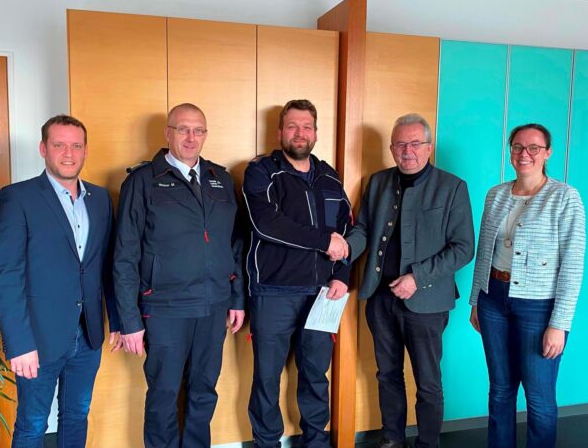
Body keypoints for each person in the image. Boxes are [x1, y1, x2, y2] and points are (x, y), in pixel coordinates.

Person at [114, 102, 245, 448]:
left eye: (198, 130)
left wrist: (237, 299)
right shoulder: (143, 181)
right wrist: (129, 320)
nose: (191, 137)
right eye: (183, 129)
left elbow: (234, 245)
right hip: (165, 308)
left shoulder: (221, 179)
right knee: (164, 393)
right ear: (167, 133)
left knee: (204, 391)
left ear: (205, 135)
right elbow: (125, 255)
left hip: (213, 305)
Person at [0, 114, 121, 447]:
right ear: (43, 149)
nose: (68, 153)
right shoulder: (17, 197)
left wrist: (118, 322)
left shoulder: (100, 199)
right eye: (59, 145)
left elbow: (106, 266)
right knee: (33, 424)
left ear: (85, 150)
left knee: (77, 416)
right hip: (38, 337)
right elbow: (6, 274)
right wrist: (19, 344)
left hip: (88, 334)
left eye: (76, 145)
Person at [344, 113, 474, 448]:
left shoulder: (452, 187)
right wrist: (345, 248)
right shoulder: (377, 182)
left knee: (427, 382)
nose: (407, 150)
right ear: (391, 148)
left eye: (415, 143)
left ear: (429, 147)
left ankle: (427, 444)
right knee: (387, 374)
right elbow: (363, 230)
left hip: (427, 303)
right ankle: (392, 440)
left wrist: (417, 278)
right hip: (380, 298)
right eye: (401, 144)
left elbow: (464, 248)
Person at [242, 99, 352, 448]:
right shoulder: (261, 172)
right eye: (292, 126)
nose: (300, 133)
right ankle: (267, 443)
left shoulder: (329, 177)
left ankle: (316, 441)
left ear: (315, 133)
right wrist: (322, 241)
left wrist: (342, 275)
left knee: (316, 376)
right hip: (273, 292)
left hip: (322, 293)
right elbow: (267, 224)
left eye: (306, 127)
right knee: (267, 377)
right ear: (280, 132)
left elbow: (345, 231)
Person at [469, 123, 585, 448]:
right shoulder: (496, 195)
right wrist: (476, 300)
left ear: (547, 153)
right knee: (500, 389)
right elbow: (485, 251)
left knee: (539, 396)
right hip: (493, 299)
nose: (525, 154)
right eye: (518, 147)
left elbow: (572, 265)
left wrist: (559, 324)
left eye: (534, 147)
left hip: (538, 307)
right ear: (510, 152)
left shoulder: (565, 197)